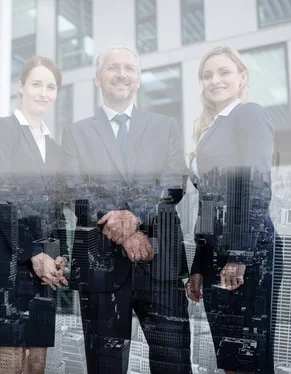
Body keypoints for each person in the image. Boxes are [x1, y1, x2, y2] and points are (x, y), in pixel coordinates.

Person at [60, 46, 192, 374]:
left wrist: (134, 216)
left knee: (174, 364)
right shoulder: (75, 133)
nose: (121, 74)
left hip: (159, 263)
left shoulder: (165, 126)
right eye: (112, 67)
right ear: (97, 78)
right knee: (105, 367)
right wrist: (121, 226)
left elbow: (175, 180)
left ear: (139, 79)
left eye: (129, 68)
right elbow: (72, 188)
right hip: (100, 266)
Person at [185, 46, 277, 374]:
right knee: (230, 359)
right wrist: (199, 264)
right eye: (207, 75)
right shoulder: (211, 129)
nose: (215, 80)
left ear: (242, 77)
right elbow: (207, 203)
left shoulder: (248, 115)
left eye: (224, 71)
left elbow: (255, 184)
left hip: (247, 253)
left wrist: (238, 255)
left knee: (247, 358)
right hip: (215, 255)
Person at [0, 56, 69, 374]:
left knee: (35, 365)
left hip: (43, 272)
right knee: (9, 365)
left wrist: (61, 255)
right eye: (37, 84)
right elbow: (1, 199)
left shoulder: (54, 148)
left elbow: (57, 207)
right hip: (7, 267)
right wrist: (33, 253)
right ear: (21, 86)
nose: (44, 92)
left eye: (51, 87)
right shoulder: (2, 129)